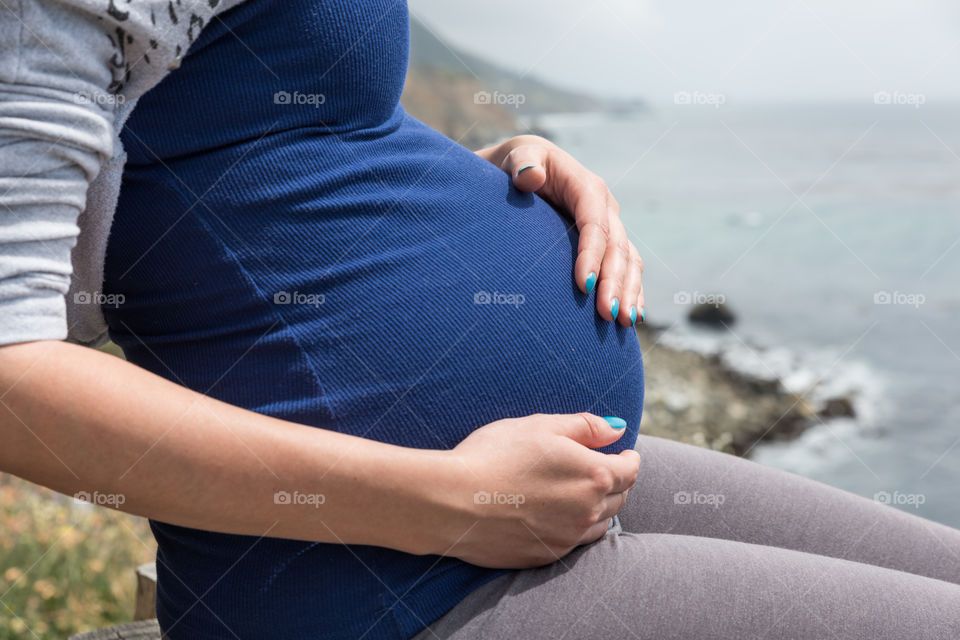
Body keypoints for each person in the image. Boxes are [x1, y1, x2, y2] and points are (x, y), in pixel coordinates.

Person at [1, 1, 959, 638]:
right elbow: (12, 373)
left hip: (526, 488)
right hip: (378, 584)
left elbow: (245, 135)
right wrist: (451, 502)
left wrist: (482, 170)